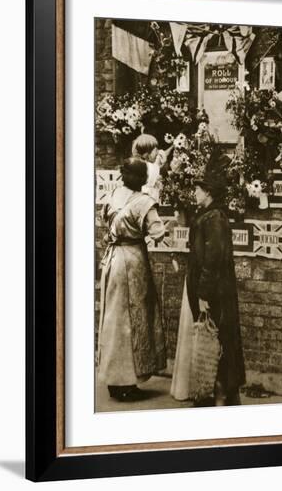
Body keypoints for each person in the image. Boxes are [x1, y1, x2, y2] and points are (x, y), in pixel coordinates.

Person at [171, 153, 246, 406]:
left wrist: (203, 294)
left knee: (215, 339)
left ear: (209, 192)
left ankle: (219, 395)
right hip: (213, 290)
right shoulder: (209, 215)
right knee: (215, 338)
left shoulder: (214, 218)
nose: (195, 192)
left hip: (214, 292)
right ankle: (217, 393)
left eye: (198, 189)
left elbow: (212, 260)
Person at [97, 158, 167, 402]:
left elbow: (103, 219)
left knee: (113, 318)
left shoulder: (113, 195)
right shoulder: (144, 202)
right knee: (131, 319)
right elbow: (158, 232)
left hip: (113, 259)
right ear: (142, 179)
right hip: (132, 260)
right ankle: (125, 381)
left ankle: (113, 379)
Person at [131, 134, 172, 202]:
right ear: (147, 152)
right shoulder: (148, 167)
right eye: (155, 150)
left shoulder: (140, 165)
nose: (157, 153)